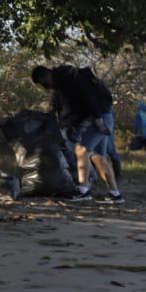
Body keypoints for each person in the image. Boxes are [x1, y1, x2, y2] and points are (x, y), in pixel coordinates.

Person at [31, 64, 123, 203]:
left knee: (81, 150)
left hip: (99, 118)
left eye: (44, 82)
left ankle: (83, 191)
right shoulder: (61, 86)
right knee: (98, 157)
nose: (45, 86)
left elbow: (89, 99)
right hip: (99, 117)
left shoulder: (71, 79)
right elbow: (65, 109)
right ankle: (115, 194)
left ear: (47, 74)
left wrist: (98, 120)